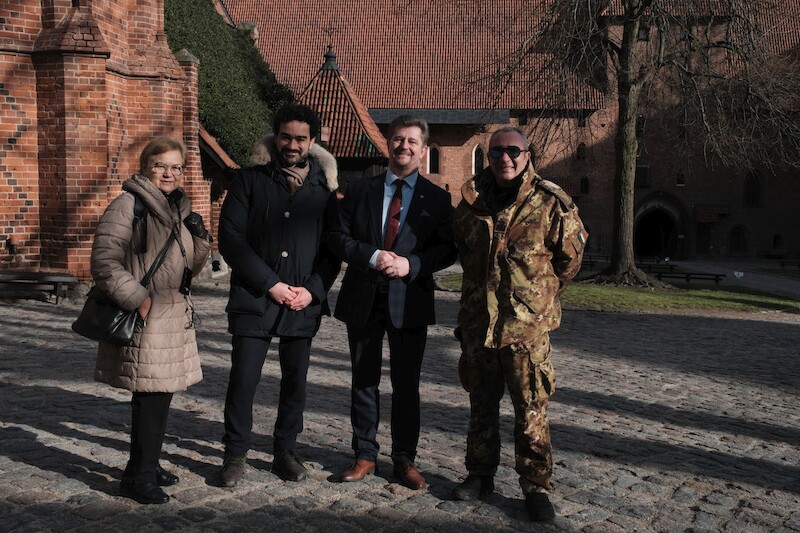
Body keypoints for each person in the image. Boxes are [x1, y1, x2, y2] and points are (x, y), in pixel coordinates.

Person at [452, 126, 587, 521]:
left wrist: (536, 300)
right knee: (481, 405)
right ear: (488, 157)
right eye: (497, 152)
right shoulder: (471, 201)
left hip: (526, 329)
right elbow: (464, 251)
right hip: (479, 324)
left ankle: (535, 487)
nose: (505, 159)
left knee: (531, 409)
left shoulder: (550, 202)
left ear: (527, 156)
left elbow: (569, 261)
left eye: (513, 151)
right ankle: (480, 475)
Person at [328, 115, 457, 490]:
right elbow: (336, 237)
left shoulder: (438, 199)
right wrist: (371, 256)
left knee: (407, 385)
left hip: (410, 299)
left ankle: (404, 459)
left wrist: (411, 264)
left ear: (423, 149)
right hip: (363, 296)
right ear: (388, 144)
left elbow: (447, 249)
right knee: (363, 380)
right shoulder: (359, 190)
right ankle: (365, 454)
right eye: (398, 139)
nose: (404, 146)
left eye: (412, 141)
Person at [216, 103, 340, 487]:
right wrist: (271, 284)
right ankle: (235, 454)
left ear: (312, 142)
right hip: (254, 297)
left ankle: (285, 451)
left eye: (300, 138)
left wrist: (313, 291)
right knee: (244, 380)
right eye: (286, 137)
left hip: (302, 301)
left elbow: (333, 250)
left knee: (295, 383)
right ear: (275, 137)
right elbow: (231, 240)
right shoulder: (248, 181)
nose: (292, 145)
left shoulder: (325, 190)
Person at [91, 136, 212, 504]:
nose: (169, 173)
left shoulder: (177, 209)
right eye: (161, 165)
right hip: (148, 318)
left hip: (172, 317)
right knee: (150, 399)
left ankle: (144, 465)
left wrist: (200, 237)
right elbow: (104, 262)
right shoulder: (128, 206)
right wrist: (138, 298)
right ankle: (139, 479)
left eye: (176, 167)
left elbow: (189, 266)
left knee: (159, 397)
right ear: (145, 167)